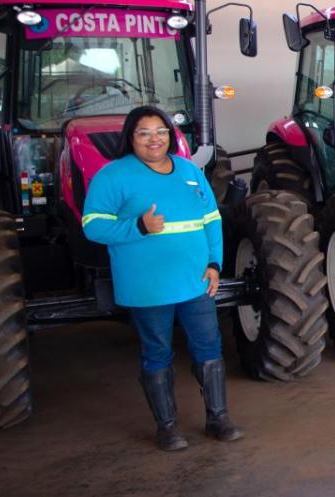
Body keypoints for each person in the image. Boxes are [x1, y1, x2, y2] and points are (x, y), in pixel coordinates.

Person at [82, 105, 241, 451]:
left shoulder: (188, 171)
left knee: (209, 348)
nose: (154, 139)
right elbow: (92, 225)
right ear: (131, 138)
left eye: (160, 131)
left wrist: (215, 263)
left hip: (195, 280)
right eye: (144, 133)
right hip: (147, 284)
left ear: (170, 134)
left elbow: (211, 219)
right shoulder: (113, 176)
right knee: (157, 352)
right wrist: (138, 226)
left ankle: (218, 418)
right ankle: (167, 427)